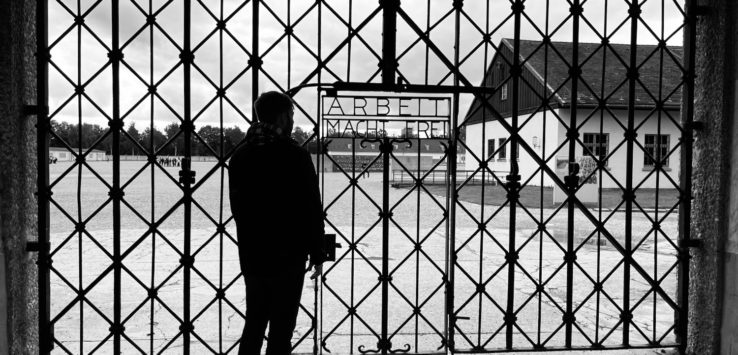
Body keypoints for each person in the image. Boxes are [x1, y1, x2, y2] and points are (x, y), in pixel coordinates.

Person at [228, 91, 325, 355]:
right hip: (288, 255)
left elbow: (239, 210)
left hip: (253, 254)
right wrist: (317, 251)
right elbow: (311, 208)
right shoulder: (295, 155)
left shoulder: (240, 157)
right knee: (282, 329)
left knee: (255, 322)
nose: (293, 121)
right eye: (291, 115)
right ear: (282, 117)